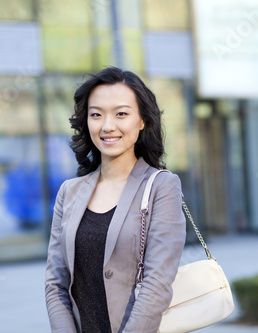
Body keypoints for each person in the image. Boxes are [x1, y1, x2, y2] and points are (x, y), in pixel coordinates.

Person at [45, 67, 186, 332]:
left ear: (142, 120)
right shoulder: (69, 192)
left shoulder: (162, 187)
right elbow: (55, 283)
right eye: (96, 115)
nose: (108, 126)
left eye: (121, 113)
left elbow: (157, 283)